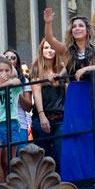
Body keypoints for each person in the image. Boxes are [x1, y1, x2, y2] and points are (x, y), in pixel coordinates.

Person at [43, 7, 95, 182]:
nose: (76, 29)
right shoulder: (68, 51)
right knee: (75, 134)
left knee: (93, 133)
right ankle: (76, 177)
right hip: (75, 94)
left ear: (87, 29)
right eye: (74, 26)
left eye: (80, 26)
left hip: (91, 92)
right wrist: (48, 23)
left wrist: (87, 68)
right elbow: (50, 40)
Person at [30, 39, 66, 170]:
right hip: (41, 118)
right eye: (46, 48)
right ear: (41, 50)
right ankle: (45, 185)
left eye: (52, 47)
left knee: (60, 152)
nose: (49, 50)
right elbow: (36, 93)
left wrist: (61, 74)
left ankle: (62, 183)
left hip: (61, 117)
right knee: (43, 155)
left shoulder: (62, 69)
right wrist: (42, 116)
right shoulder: (36, 68)